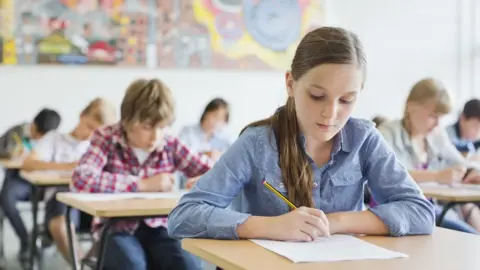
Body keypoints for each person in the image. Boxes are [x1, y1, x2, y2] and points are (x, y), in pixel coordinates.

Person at [167, 27, 435, 243]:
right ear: (291, 84)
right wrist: (271, 226)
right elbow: (183, 216)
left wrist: (334, 222)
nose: (330, 113)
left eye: (347, 100)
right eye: (317, 96)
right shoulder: (257, 143)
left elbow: (421, 213)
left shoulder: (364, 138)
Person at [71, 79, 213, 270]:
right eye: (147, 127)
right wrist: (143, 184)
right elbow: (81, 178)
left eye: (162, 127)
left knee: (188, 265)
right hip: (115, 228)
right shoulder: (107, 137)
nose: (155, 136)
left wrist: (208, 180)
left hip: (162, 226)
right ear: (128, 121)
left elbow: (216, 172)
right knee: (132, 265)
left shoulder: (169, 143)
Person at [377, 78, 480, 233]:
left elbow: (460, 162)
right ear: (411, 106)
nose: (438, 124)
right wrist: (437, 176)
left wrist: (472, 172)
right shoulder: (387, 134)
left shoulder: (436, 135)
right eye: (433, 116)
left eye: (441, 117)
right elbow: (389, 175)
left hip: (428, 210)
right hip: (398, 213)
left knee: (470, 224)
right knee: (469, 235)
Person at [21, 98, 117, 263]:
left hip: (90, 198)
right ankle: (79, 264)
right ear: (81, 116)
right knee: (60, 223)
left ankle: (93, 262)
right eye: (89, 127)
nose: (91, 134)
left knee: (116, 224)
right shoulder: (54, 139)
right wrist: (69, 167)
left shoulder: (99, 146)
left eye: (98, 132)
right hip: (60, 196)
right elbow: (28, 163)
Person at [0, 108, 61, 262]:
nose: (39, 138)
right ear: (33, 124)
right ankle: (26, 240)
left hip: (44, 182)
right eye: (37, 134)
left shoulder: (55, 140)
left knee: (59, 199)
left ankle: (44, 238)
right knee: (6, 198)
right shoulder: (16, 133)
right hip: (19, 180)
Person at [177, 98, 231, 188]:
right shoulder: (188, 131)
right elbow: (179, 155)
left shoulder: (224, 139)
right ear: (206, 113)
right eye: (215, 116)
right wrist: (204, 154)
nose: (216, 121)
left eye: (221, 119)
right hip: (188, 180)